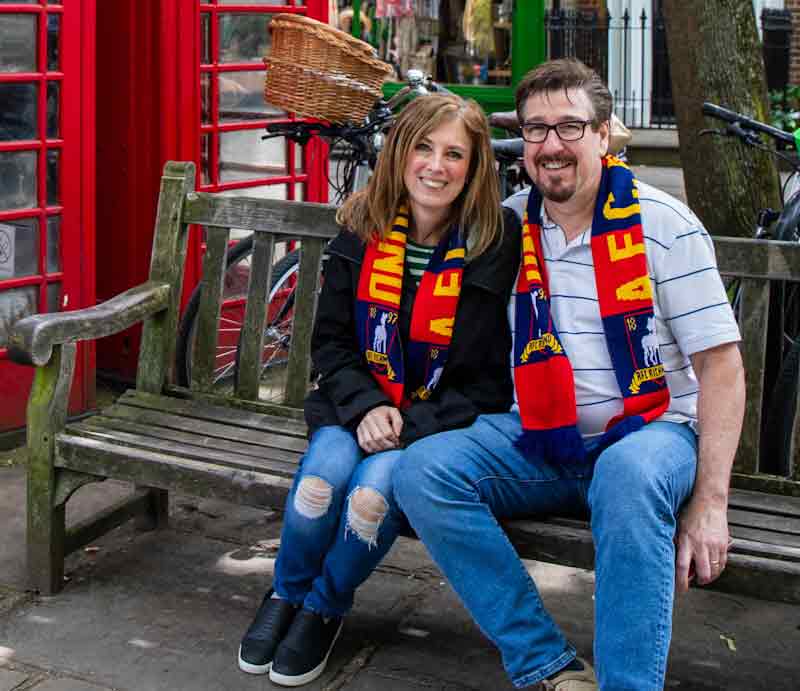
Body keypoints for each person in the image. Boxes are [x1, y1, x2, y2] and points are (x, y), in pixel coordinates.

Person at [394, 58, 745, 690]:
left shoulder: (662, 226)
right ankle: (544, 664)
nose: (551, 146)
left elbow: (721, 367)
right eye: (535, 129)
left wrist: (711, 504)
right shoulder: (505, 225)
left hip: (654, 436)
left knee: (626, 472)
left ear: (605, 134)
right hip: (543, 435)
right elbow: (414, 233)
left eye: (570, 127)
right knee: (422, 471)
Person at [237, 93, 521, 686]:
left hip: (437, 421)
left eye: (454, 154)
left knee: (369, 500)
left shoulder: (494, 236)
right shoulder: (362, 222)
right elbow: (331, 342)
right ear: (399, 153)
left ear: (473, 169)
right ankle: (285, 594)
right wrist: (367, 406)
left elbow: (484, 374)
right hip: (356, 404)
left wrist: (403, 426)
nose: (435, 166)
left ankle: (324, 606)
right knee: (318, 487)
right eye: (423, 147)